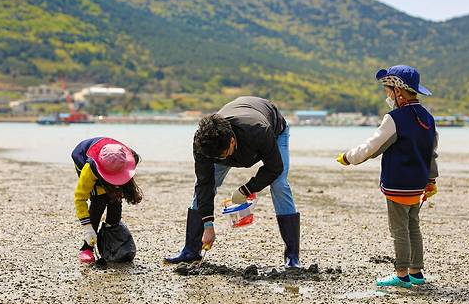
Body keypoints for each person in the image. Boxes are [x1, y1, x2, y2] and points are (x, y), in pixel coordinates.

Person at [165, 96, 301, 267]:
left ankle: (292, 257)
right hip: (234, 134)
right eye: (215, 157)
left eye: (223, 155)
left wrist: (247, 189)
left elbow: (274, 168)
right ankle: (191, 250)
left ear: (231, 140)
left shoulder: (259, 131)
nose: (222, 159)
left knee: (279, 185)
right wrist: (208, 225)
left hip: (274, 130)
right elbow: (204, 183)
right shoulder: (204, 143)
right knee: (204, 184)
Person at [336, 65, 438, 288]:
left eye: (387, 90)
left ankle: (401, 275)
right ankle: (416, 273)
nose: (387, 95)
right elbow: (431, 152)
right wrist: (431, 180)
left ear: (398, 91)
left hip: (398, 184)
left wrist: (348, 157)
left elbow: (372, 147)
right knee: (413, 226)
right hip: (418, 183)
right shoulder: (428, 118)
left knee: (399, 230)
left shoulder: (394, 118)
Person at [72, 137, 142, 264]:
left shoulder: (129, 157)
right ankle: (87, 248)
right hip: (82, 157)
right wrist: (88, 228)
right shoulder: (89, 169)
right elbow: (80, 198)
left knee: (115, 201)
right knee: (98, 203)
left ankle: (110, 240)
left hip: (113, 159)